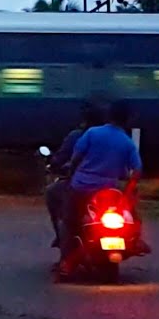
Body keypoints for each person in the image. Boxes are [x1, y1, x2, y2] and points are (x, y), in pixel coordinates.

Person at [60, 100, 146, 258]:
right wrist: (129, 189)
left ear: (108, 116)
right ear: (128, 119)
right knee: (132, 215)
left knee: (69, 221)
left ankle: (65, 259)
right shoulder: (127, 142)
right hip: (109, 191)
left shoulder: (92, 133)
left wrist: (71, 173)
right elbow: (137, 169)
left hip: (81, 187)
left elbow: (76, 157)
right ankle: (137, 240)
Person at [46, 101, 107, 247]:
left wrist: (56, 166)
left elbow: (69, 159)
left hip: (81, 186)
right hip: (110, 185)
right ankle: (136, 239)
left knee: (55, 198)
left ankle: (64, 249)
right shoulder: (114, 136)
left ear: (84, 120)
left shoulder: (78, 136)